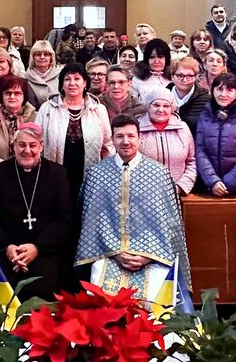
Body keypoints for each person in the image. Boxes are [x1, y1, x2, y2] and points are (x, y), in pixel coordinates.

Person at [76, 114, 191, 301]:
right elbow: (90, 226)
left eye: (131, 136)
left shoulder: (159, 173)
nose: (126, 141)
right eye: (120, 136)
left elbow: (169, 225)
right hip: (108, 255)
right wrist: (116, 251)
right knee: (99, 294)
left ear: (140, 138)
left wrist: (147, 255)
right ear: (112, 139)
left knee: (155, 301)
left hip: (153, 257)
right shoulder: (97, 174)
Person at [0, 123, 74, 300]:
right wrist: (7, 248)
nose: (27, 150)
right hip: (7, 252)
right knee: (2, 294)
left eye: (32, 145)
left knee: (46, 286)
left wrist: (36, 248)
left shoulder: (57, 174)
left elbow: (64, 219)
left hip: (45, 252)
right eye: (21, 145)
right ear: (13, 146)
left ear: (41, 146)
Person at [36, 62, 113, 199]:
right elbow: (37, 142)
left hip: (89, 174)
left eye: (77, 79)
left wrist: (107, 175)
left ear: (85, 83)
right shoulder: (47, 108)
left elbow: (107, 146)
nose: (72, 83)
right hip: (55, 174)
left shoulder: (98, 109)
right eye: (67, 79)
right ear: (61, 84)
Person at [195, 73, 236, 198]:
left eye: (229, 90)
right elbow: (200, 151)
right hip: (210, 188)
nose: (223, 94)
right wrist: (213, 181)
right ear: (212, 90)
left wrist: (227, 183)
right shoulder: (205, 115)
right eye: (219, 89)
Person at [137, 91, 196, 194]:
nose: (161, 109)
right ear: (148, 107)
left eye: (166, 106)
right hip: (144, 194)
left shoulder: (183, 128)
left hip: (177, 193)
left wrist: (180, 186)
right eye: (156, 105)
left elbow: (192, 161)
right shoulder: (136, 128)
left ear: (171, 108)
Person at [0, 74, 38, 171]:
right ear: (1, 96)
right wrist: (7, 167)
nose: (12, 96)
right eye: (8, 93)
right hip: (1, 174)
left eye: (17, 93)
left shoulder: (37, 118)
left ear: (25, 96)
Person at [168, 55, 210, 136]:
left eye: (190, 76)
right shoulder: (162, 96)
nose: (185, 80)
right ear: (172, 77)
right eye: (180, 76)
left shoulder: (205, 100)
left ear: (195, 77)